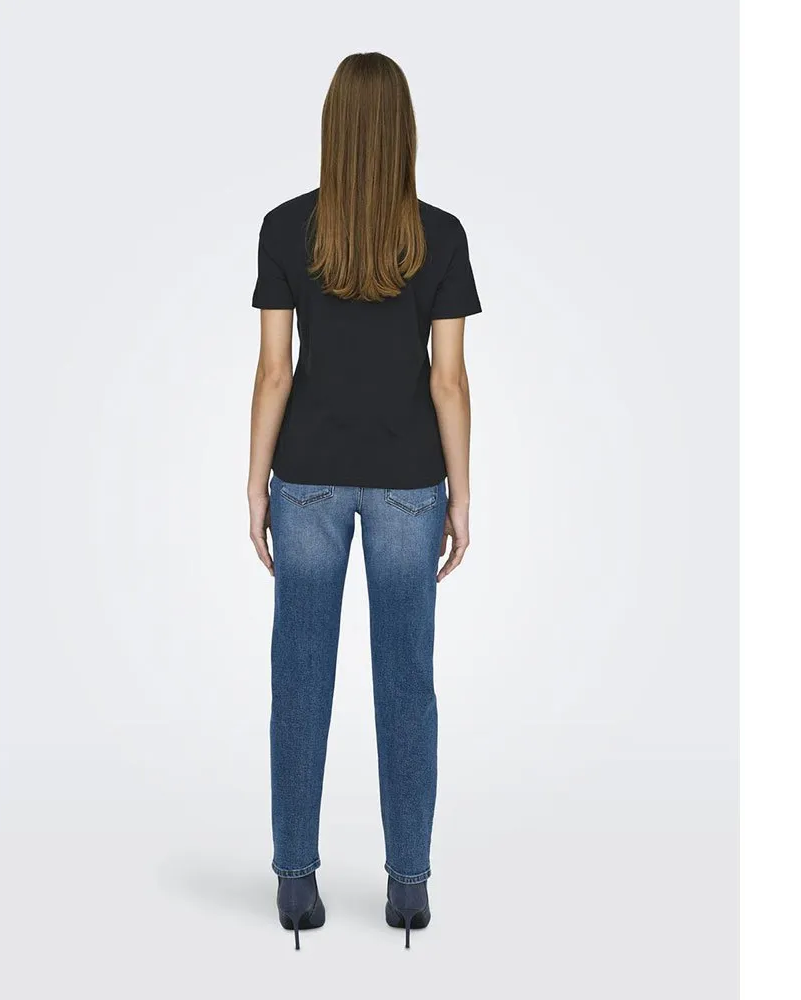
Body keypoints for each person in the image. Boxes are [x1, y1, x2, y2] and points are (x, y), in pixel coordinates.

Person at [247, 52, 482, 950]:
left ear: (333, 127)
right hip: (411, 484)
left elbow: (275, 370)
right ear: (404, 131)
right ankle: (408, 888)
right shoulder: (440, 235)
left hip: (305, 476)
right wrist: (462, 493)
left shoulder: (285, 228)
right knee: (407, 683)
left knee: (299, 679)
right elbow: (448, 380)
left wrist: (256, 482)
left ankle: (295, 884)